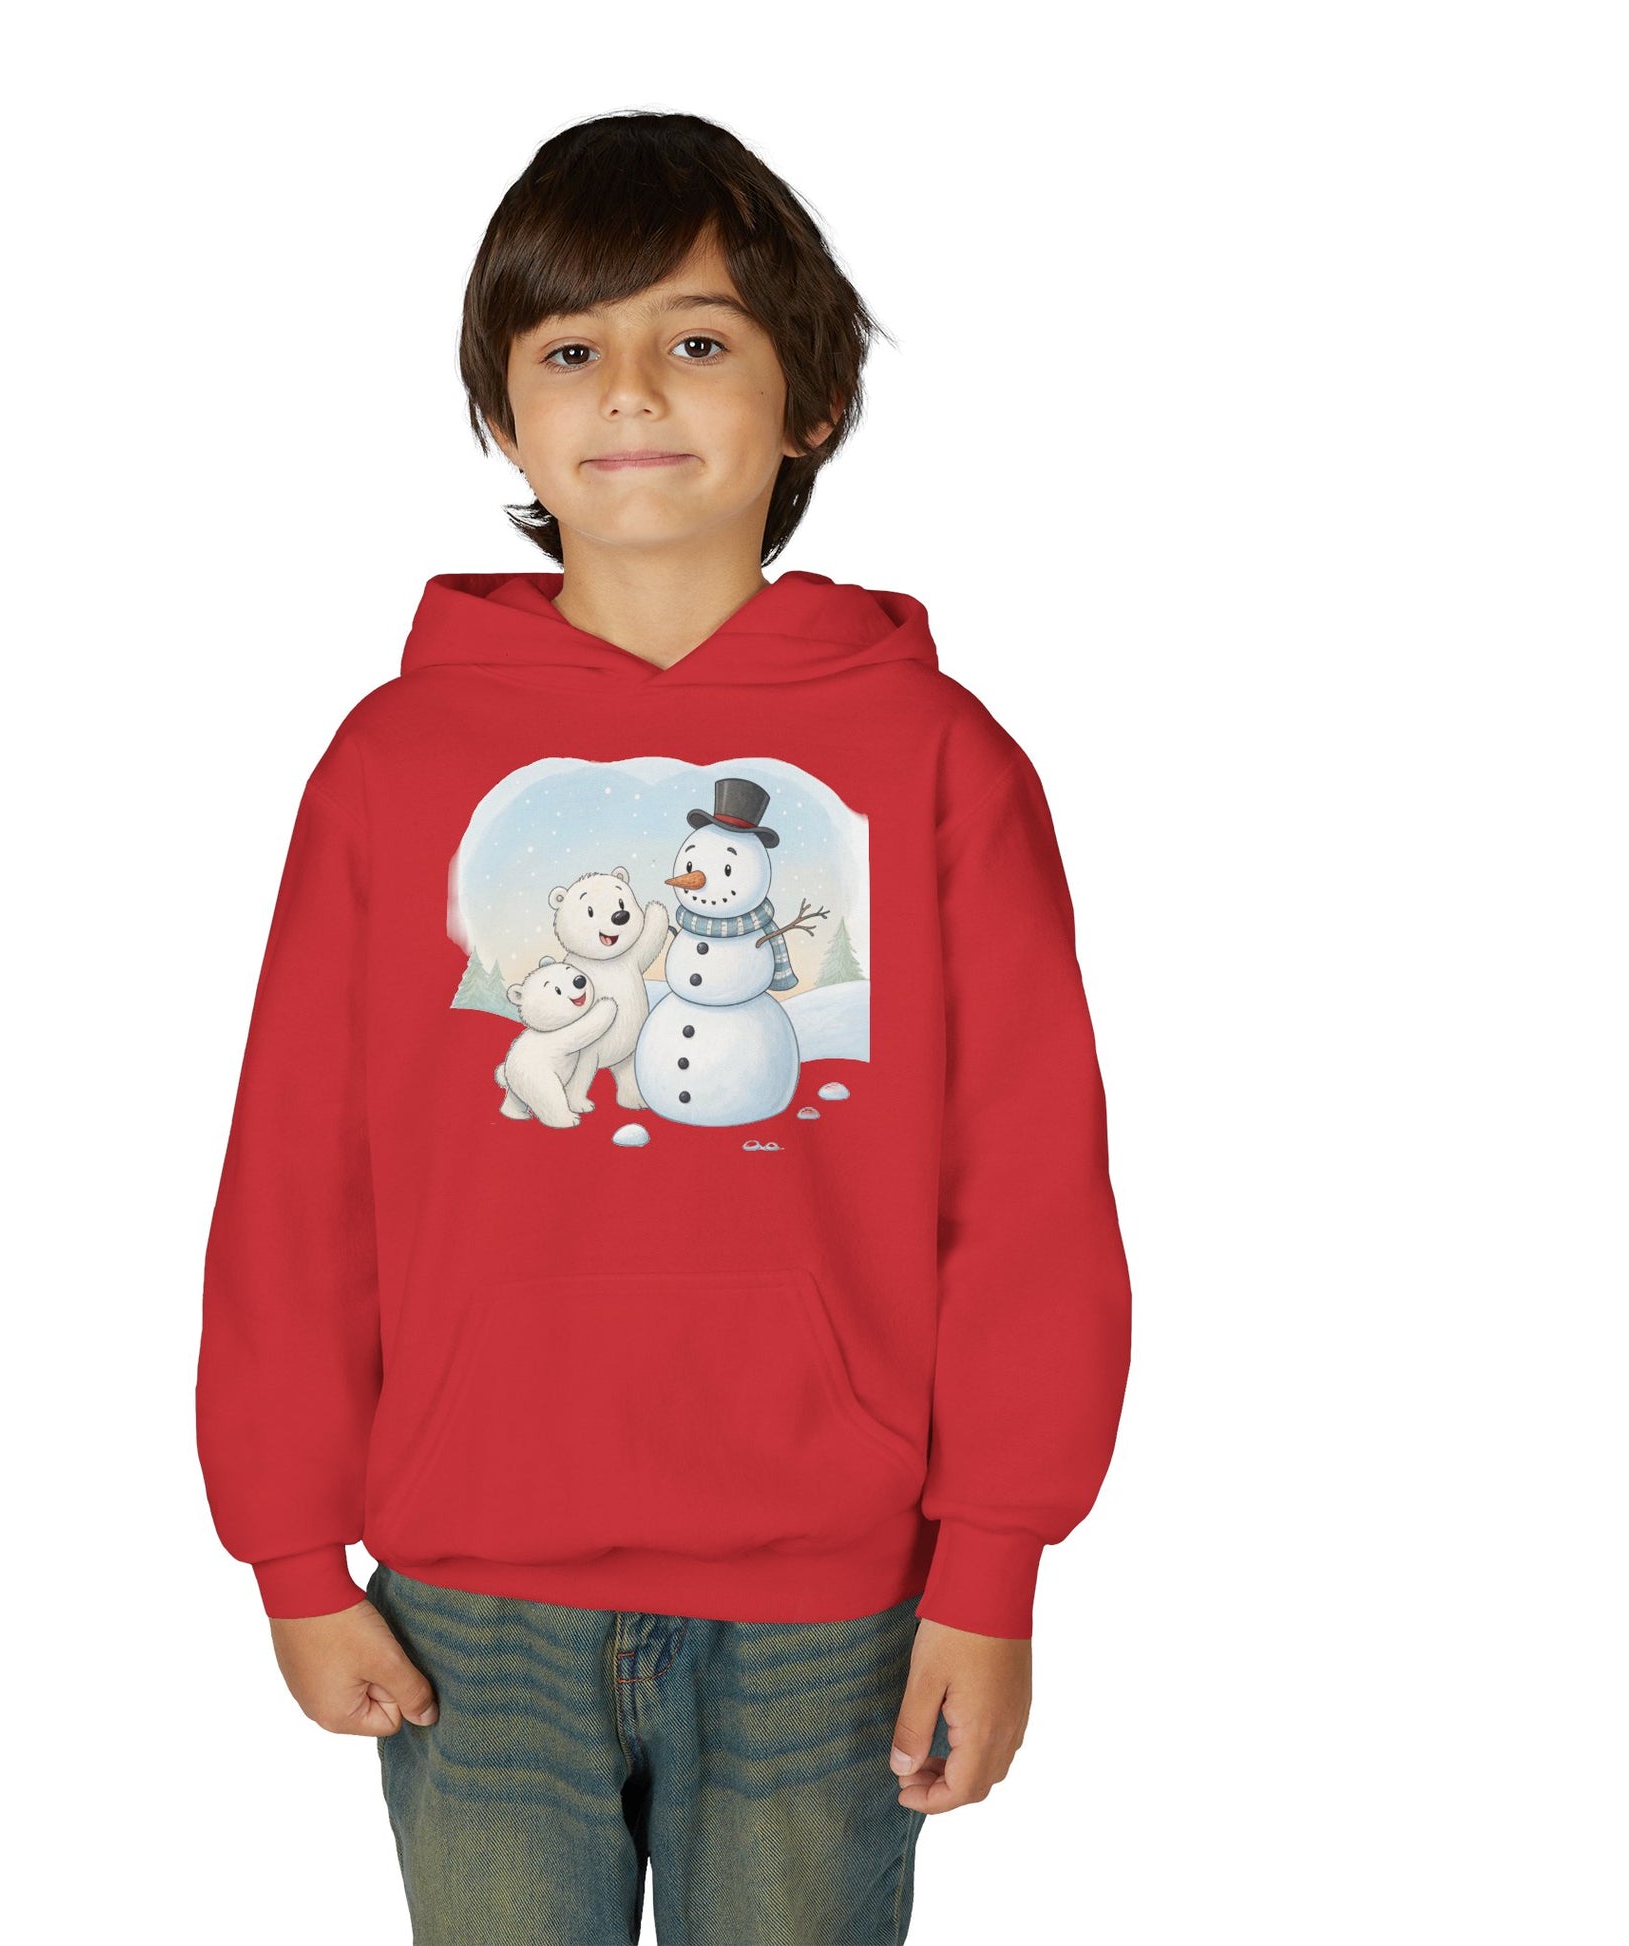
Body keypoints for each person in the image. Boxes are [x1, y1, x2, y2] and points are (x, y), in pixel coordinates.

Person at [196, 109, 1132, 1944]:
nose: (629, 388)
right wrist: (289, 1543)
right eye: (570, 349)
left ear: (811, 405)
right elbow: (298, 1173)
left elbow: (1028, 1189)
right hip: (468, 1593)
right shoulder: (392, 763)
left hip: (834, 1598)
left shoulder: (938, 758)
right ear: (503, 414)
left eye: (695, 339)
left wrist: (993, 1563)